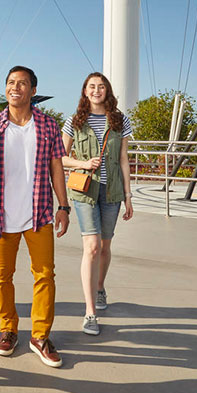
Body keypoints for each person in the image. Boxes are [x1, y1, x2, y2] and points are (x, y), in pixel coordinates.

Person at [0, 66, 71, 368]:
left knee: (45, 275)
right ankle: (8, 329)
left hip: (39, 215)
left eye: (22, 83)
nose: (15, 88)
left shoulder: (49, 126)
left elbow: (57, 169)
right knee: (2, 277)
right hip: (1, 215)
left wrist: (63, 206)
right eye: (11, 83)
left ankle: (40, 336)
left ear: (33, 91)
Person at [61, 72, 133, 336]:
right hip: (85, 192)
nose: (96, 91)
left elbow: (124, 159)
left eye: (101, 86)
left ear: (108, 91)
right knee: (91, 247)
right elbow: (59, 157)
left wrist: (128, 196)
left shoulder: (120, 120)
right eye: (91, 86)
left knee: (105, 246)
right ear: (84, 91)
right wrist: (82, 163)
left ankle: (100, 286)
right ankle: (90, 312)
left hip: (112, 192)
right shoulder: (74, 122)